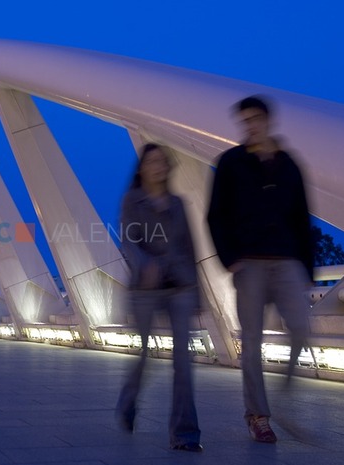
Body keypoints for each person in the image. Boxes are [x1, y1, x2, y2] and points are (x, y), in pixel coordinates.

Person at [206, 95, 314, 444]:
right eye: (244, 121)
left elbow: (301, 217)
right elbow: (215, 215)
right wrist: (229, 258)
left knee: (300, 327)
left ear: (268, 121)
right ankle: (258, 415)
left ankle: (283, 388)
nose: (249, 126)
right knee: (251, 343)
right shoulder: (231, 163)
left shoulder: (288, 165)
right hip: (250, 263)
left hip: (286, 261)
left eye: (255, 119)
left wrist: (306, 267)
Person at [115, 143, 203, 452]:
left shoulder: (178, 204)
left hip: (179, 285)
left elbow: (191, 250)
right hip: (145, 287)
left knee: (183, 361)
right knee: (143, 355)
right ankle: (128, 399)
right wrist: (144, 265)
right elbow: (129, 240)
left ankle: (185, 433)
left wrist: (199, 297)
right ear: (142, 168)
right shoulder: (132, 201)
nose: (158, 166)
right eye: (152, 161)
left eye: (163, 161)